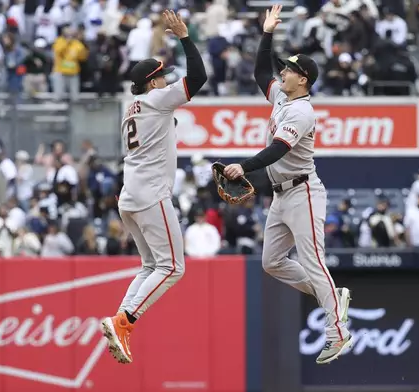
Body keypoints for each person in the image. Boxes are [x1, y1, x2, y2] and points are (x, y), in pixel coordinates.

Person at [222, 4, 352, 365]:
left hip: (304, 191)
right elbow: (261, 69)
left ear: (304, 79)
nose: (284, 72)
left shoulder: (301, 111)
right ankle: (330, 294)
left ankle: (337, 333)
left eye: (291, 69)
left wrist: (243, 168)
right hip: (282, 195)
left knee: (313, 261)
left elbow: (278, 149)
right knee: (272, 261)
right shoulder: (282, 95)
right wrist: (267, 32)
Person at [100, 9, 207, 365]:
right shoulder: (156, 99)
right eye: (161, 77)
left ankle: (120, 321)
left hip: (129, 196)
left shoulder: (130, 108)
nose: (165, 81)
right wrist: (185, 37)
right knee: (174, 267)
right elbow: (200, 77)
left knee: (150, 267)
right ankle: (125, 321)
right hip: (150, 195)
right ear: (152, 81)